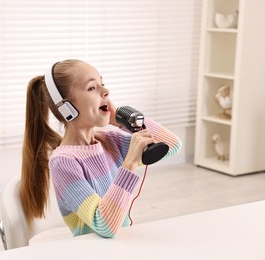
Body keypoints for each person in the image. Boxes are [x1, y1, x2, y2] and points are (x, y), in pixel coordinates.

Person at [20, 59, 182, 238]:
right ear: (67, 109)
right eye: (92, 88)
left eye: (102, 84)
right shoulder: (64, 163)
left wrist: (122, 121)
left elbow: (172, 146)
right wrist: (129, 164)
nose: (106, 91)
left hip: (120, 244)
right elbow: (104, 225)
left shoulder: (109, 141)